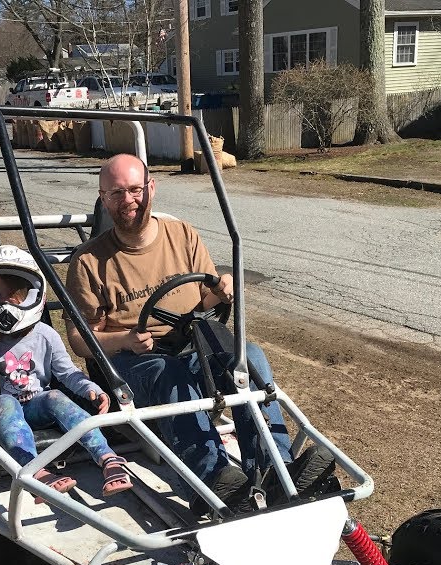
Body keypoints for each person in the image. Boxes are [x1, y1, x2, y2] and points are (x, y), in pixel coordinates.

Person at [63, 153, 335, 515]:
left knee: (248, 356)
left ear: (151, 188)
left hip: (193, 341)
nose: (127, 200)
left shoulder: (182, 235)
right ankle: (213, 478)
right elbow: (81, 339)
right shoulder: (88, 262)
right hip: (133, 361)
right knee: (170, 375)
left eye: (134, 189)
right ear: (103, 197)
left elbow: (203, 296)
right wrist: (124, 339)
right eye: (115, 193)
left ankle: (276, 467)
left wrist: (222, 290)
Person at [0, 245, 133, 502]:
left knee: (55, 397)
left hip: (34, 407)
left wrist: (89, 388)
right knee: (7, 402)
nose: (4, 303)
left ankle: (107, 458)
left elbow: (67, 372)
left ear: (30, 295)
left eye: (13, 294)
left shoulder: (45, 335)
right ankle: (34, 472)